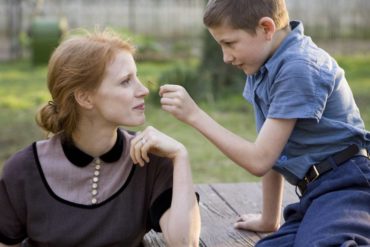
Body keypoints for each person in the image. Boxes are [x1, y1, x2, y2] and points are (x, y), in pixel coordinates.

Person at [159, 0, 370, 246]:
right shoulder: (263, 69)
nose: (226, 57)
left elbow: (259, 160)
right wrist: (269, 220)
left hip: (348, 187)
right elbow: (271, 155)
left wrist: (195, 115)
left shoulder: (298, 68)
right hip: (316, 194)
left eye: (229, 43)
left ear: (266, 29)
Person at [0, 30, 200, 247]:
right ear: (85, 97)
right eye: (126, 81)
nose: (143, 90)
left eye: (137, 77)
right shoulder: (24, 170)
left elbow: (185, 243)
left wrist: (180, 156)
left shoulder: (150, 159)